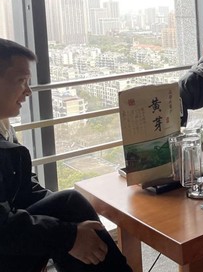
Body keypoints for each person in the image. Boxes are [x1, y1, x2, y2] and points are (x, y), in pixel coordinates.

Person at [0, 38, 132, 272]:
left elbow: (25, 189)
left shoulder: (4, 126)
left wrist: (68, 225)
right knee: (68, 206)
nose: (28, 91)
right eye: (21, 81)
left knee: (69, 208)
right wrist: (68, 235)